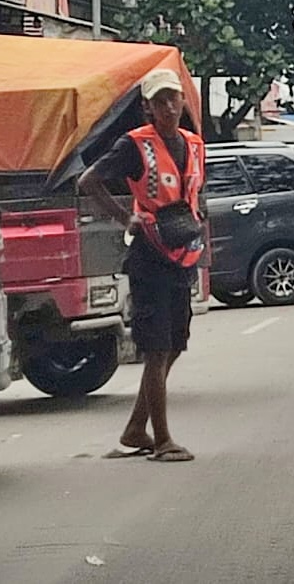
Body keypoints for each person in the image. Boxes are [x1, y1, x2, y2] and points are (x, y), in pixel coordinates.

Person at [78, 69, 205, 464]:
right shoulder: (134, 145)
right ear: (147, 107)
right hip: (149, 255)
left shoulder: (194, 144)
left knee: (175, 345)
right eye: (161, 100)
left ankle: (136, 429)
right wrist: (125, 217)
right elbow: (89, 181)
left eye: (175, 98)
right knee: (156, 347)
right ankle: (162, 439)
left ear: (183, 101)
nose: (170, 107)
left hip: (183, 252)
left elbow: (197, 194)